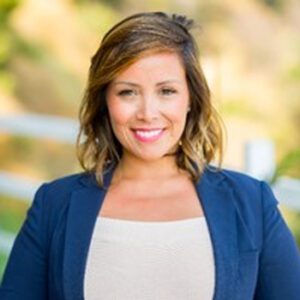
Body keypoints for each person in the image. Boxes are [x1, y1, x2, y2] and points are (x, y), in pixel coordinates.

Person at [0, 11, 300, 300]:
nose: (147, 113)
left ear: (191, 99)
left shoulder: (251, 204)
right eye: (127, 92)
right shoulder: (54, 205)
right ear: (105, 101)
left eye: (166, 91)